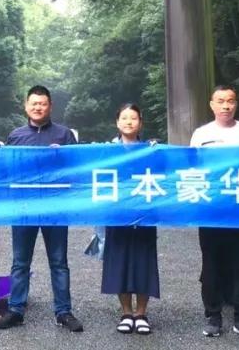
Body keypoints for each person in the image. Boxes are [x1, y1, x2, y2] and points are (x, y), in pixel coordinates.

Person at [0, 85, 84, 333]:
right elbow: (6, 170)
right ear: (26, 106)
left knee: (59, 262)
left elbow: (78, 168)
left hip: (56, 207)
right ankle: (16, 310)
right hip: (24, 207)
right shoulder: (16, 136)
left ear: (50, 106)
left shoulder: (64, 135)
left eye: (42, 103)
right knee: (20, 262)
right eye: (34, 103)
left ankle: (63, 311)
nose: (38, 107)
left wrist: (62, 156)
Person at [189, 85, 239, 339]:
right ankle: (213, 316)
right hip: (211, 209)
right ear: (211, 105)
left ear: (236, 104)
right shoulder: (201, 134)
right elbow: (192, 168)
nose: (226, 105)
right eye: (221, 100)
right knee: (211, 264)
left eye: (231, 100)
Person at [101, 103, 159, 336]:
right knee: (120, 262)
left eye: (133, 118)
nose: (128, 122)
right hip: (116, 214)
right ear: (117, 122)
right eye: (124, 118)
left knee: (144, 261)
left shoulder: (151, 149)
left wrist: (157, 151)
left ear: (140, 123)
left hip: (144, 214)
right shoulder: (107, 151)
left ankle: (141, 313)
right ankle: (126, 312)